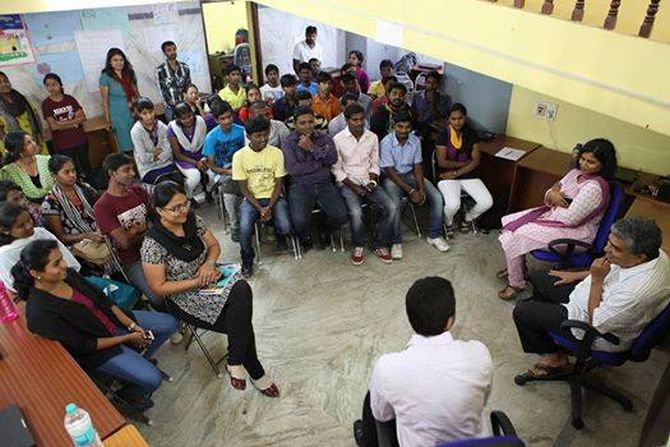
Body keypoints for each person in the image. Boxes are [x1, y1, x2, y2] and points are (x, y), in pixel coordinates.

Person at [141, 182, 280, 397]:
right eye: (175, 208)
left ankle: (234, 362)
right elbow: (158, 288)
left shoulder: (192, 219)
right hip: (184, 294)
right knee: (240, 323)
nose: (183, 211)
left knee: (242, 289)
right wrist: (196, 282)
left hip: (210, 277)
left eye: (184, 204)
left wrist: (208, 265)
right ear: (159, 211)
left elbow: (214, 246)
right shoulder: (152, 244)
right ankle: (255, 371)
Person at [18, 239, 177, 411]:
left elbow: (105, 301)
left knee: (170, 323)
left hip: (115, 322)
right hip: (99, 349)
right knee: (152, 379)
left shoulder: (69, 276)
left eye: (62, 258)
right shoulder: (39, 313)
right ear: (36, 273)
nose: (64, 265)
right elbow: (86, 345)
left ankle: (136, 361)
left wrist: (131, 325)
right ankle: (125, 398)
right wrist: (128, 337)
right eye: (56, 263)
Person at [512, 218, 670, 380]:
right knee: (541, 278)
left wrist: (596, 280)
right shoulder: (657, 255)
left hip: (594, 328)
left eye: (615, 248)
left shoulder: (636, 294)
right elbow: (611, 267)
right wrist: (576, 275)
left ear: (640, 257)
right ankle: (553, 337)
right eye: (609, 241)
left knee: (523, 311)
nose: (606, 249)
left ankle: (556, 360)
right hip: (595, 296)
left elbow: (596, 322)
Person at [353, 276, 492, 447]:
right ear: (450, 320)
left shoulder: (388, 367)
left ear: (411, 320)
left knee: (376, 395)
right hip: (477, 443)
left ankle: (366, 440)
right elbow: (483, 399)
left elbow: (382, 416)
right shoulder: (478, 353)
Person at [497, 138, 617, 300]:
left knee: (517, 235)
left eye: (591, 162)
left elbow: (571, 219)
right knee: (509, 224)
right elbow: (552, 190)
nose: (584, 164)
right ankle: (518, 269)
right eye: (582, 158)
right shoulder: (575, 173)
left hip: (575, 233)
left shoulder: (594, 187)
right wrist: (554, 196)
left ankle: (516, 283)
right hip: (554, 219)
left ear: (604, 165)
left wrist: (554, 201)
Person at [93, 153, 162, 308]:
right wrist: (148, 230)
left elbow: (157, 220)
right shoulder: (102, 206)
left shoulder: (138, 191)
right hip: (132, 260)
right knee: (157, 296)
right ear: (112, 173)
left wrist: (137, 231)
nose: (132, 173)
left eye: (132, 169)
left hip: (157, 248)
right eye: (126, 170)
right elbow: (124, 243)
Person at [333, 103, 396, 265]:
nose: (359, 123)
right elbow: (337, 170)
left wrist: (373, 181)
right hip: (348, 182)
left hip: (369, 181)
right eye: (355, 120)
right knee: (355, 212)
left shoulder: (372, 137)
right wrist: (354, 187)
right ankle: (358, 245)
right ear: (347, 121)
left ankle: (380, 244)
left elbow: (375, 163)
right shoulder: (338, 140)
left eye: (362, 119)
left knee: (391, 207)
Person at [381, 112, 450, 258]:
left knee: (437, 197)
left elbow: (418, 166)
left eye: (407, 127)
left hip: (410, 174)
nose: (404, 130)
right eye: (400, 127)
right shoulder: (386, 142)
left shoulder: (415, 140)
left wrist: (421, 188)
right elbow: (389, 171)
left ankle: (434, 235)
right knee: (395, 204)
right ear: (394, 126)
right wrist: (412, 191)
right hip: (391, 178)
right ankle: (396, 242)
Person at [41, 155, 122, 277]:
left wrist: (101, 228)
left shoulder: (85, 188)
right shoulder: (50, 203)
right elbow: (61, 237)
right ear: (54, 176)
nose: (72, 175)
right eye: (66, 172)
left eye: (73, 170)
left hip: (98, 231)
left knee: (122, 238)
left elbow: (102, 211)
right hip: (77, 241)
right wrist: (87, 235)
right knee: (100, 255)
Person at [232, 116, 292, 277]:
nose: (263, 139)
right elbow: (243, 188)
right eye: (258, 136)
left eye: (265, 134)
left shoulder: (276, 153)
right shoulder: (239, 156)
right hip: (252, 199)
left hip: (273, 197)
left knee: (285, 226)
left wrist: (269, 207)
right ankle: (247, 260)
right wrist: (260, 208)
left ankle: (278, 234)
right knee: (244, 229)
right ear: (248, 136)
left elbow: (279, 184)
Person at [282, 106, 348, 248]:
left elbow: (332, 160)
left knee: (342, 216)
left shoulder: (324, 137)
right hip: (300, 186)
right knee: (299, 221)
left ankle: (325, 230)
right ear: (295, 124)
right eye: (302, 123)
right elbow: (294, 169)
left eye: (310, 122)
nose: (307, 126)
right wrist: (319, 163)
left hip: (324, 183)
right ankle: (305, 236)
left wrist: (312, 148)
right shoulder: (288, 142)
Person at [435, 103, 493, 236]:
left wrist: (456, 172)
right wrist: (466, 163)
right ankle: (448, 222)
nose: (457, 122)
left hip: (467, 175)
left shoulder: (471, 133)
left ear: (465, 118)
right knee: (453, 205)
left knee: (487, 202)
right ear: (448, 119)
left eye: (460, 118)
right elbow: (442, 162)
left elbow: (476, 161)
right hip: (446, 175)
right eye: (453, 119)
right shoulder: (443, 135)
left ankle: (467, 218)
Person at [0, 201, 80, 293]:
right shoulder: (4, 255)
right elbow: (17, 286)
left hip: (72, 279)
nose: (29, 226)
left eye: (29, 220)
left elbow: (66, 257)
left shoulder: (40, 232)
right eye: (21, 226)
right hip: (47, 294)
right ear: (5, 230)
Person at [202, 100, 246, 241]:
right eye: (222, 119)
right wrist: (228, 172)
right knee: (228, 193)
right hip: (221, 172)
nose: (227, 121)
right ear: (216, 120)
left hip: (242, 168)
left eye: (229, 117)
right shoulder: (211, 137)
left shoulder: (241, 131)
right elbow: (212, 165)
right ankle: (235, 225)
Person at [41, 73, 92, 180]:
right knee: (71, 170)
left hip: (80, 139)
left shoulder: (69, 99)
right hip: (63, 144)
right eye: (48, 85)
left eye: (54, 84)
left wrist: (61, 124)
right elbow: (54, 127)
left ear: (60, 85)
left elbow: (82, 117)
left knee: (87, 167)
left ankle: (92, 188)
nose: (51, 88)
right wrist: (73, 123)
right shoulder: (46, 104)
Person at [131, 97, 183, 187]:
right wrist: (156, 154)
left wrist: (156, 156)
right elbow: (143, 158)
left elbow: (168, 150)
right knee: (165, 185)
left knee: (179, 180)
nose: (149, 116)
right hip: (148, 168)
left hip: (166, 163)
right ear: (139, 114)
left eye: (151, 112)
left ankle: (184, 200)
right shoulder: (136, 131)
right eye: (144, 114)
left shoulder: (162, 126)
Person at [167, 102, 213, 200]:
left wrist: (204, 159)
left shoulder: (200, 121)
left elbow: (207, 144)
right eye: (183, 118)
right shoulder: (172, 128)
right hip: (184, 159)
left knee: (212, 175)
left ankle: (209, 191)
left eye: (189, 116)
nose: (188, 120)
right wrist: (196, 163)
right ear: (177, 119)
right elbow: (177, 154)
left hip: (202, 155)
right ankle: (188, 197)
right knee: (194, 177)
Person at [99, 48, 138, 153]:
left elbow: (137, 94)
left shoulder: (129, 73)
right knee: (125, 144)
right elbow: (105, 101)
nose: (119, 62)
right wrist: (107, 121)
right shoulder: (105, 77)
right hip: (118, 115)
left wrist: (138, 110)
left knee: (138, 141)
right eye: (115, 60)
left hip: (133, 112)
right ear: (109, 62)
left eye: (121, 60)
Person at [0, 71, 46, 154]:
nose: (4, 84)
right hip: (14, 148)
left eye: (5, 81)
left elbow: (35, 114)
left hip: (35, 140)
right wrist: (14, 147)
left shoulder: (21, 98)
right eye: (0, 83)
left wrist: (40, 136)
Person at [0, 131, 53, 201]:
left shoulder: (47, 160)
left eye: (32, 140)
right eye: (28, 143)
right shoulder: (9, 172)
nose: (34, 144)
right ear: (19, 149)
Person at [155, 40, 191, 120]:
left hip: (185, 105)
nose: (173, 52)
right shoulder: (160, 70)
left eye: (174, 49)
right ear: (164, 53)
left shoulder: (185, 67)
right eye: (169, 50)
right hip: (170, 108)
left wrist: (187, 99)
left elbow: (188, 86)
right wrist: (171, 104)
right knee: (173, 130)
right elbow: (162, 90)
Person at [411, 71, 451, 138]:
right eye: (428, 82)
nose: (431, 85)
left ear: (438, 84)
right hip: (418, 126)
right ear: (425, 83)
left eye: (434, 83)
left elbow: (440, 118)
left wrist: (433, 102)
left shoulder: (444, 99)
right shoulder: (418, 96)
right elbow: (413, 112)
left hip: (433, 128)